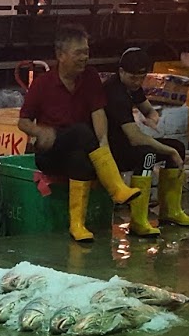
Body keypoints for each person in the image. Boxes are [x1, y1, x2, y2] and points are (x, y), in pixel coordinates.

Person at [18, 25, 138, 243]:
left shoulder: (90, 77)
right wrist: (40, 131)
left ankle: (77, 225)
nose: (84, 57)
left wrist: (103, 144)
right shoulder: (43, 84)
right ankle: (116, 187)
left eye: (86, 51)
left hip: (79, 149)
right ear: (61, 55)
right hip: (51, 150)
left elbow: (98, 113)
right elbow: (23, 121)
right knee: (80, 131)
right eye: (78, 53)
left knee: (80, 159)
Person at [102, 47, 189, 237]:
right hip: (112, 149)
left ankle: (171, 211)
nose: (137, 83)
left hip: (127, 143)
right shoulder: (115, 94)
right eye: (133, 78)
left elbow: (148, 110)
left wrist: (152, 118)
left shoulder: (133, 87)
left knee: (178, 146)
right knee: (148, 155)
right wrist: (169, 152)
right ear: (121, 72)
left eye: (141, 78)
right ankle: (138, 220)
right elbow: (135, 138)